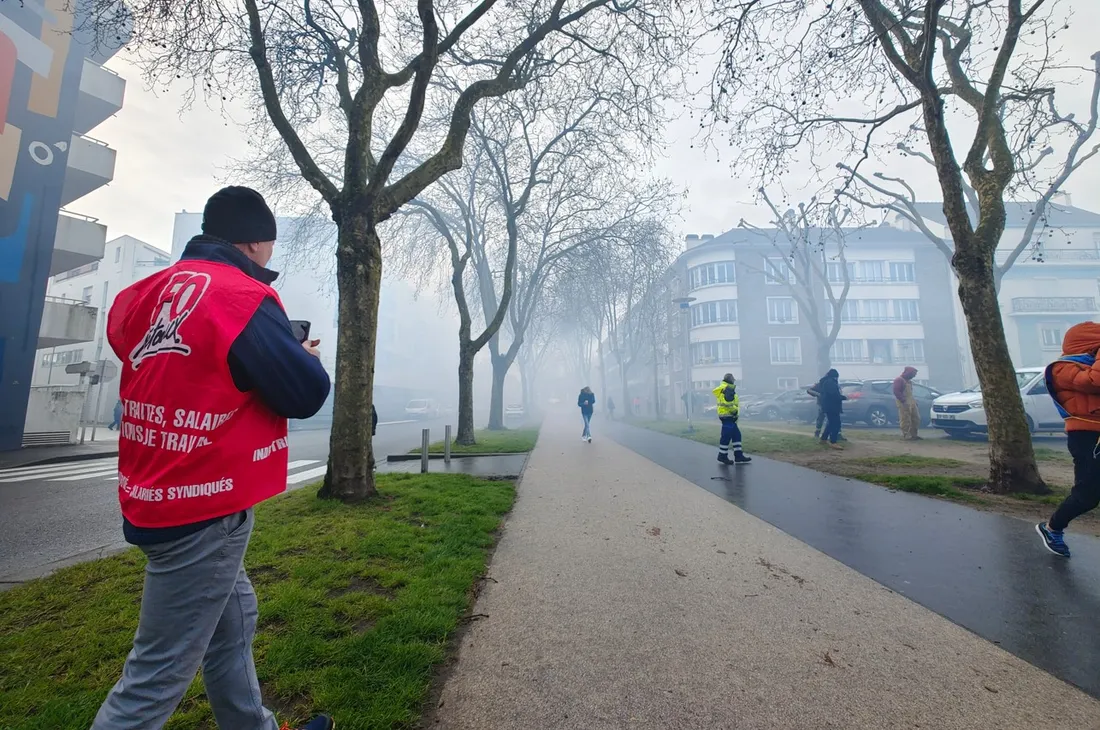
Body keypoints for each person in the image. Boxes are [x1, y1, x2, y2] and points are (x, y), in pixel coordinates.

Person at [93, 187, 334, 730]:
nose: (269, 257)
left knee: (234, 622)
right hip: (204, 504)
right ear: (254, 242)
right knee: (152, 681)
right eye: (269, 246)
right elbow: (305, 393)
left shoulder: (143, 292)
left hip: (151, 487)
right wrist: (302, 357)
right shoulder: (242, 296)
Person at [1037, 322, 1100, 558]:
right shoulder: (1061, 368)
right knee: (1087, 496)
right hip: (1086, 438)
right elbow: (1095, 382)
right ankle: (1052, 528)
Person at [713, 374, 751, 465]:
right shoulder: (728, 389)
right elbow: (728, 403)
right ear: (730, 380)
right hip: (729, 416)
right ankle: (722, 456)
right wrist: (734, 411)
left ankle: (738, 455)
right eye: (733, 379)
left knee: (736, 435)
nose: (734, 381)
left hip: (727, 416)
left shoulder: (723, 388)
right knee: (726, 436)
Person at [811, 369, 846, 448]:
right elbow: (833, 395)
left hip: (828, 406)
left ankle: (823, 439)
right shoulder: (830, 383)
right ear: (835, 376)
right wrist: (842, 397)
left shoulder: (825, 381)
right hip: (832, 406)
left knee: (830, 423)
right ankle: (833, 442)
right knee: (836, 424)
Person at [893, 366, 921, 440]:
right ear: (908, 373)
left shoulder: (909, 381)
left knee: (916, 418)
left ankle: (914, 434)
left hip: (911, 402)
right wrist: (903, 401)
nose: (914, 376)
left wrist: (914, 402)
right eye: (913, 374)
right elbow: (896, 392)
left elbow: (910, 393)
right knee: (905, 419)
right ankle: (906, 435)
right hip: (903, 402)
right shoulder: (899, 380)